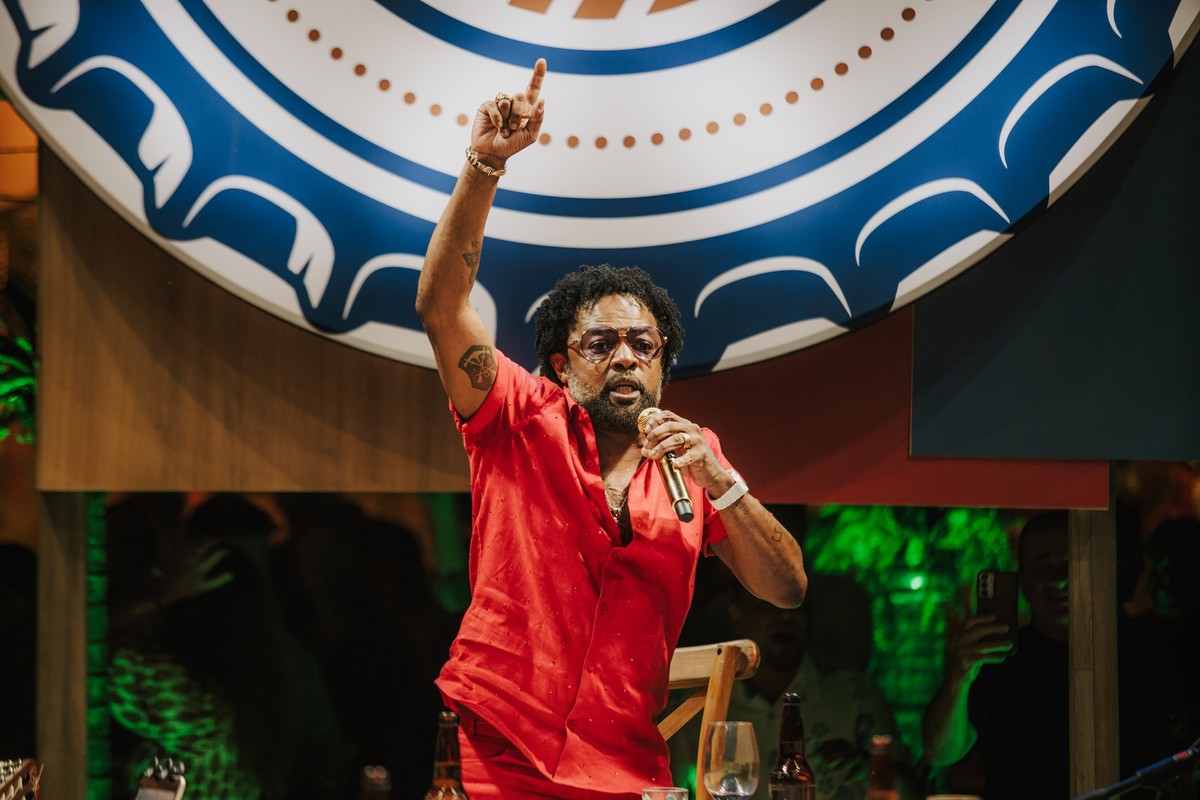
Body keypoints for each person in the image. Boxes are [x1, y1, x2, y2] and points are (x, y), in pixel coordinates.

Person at [415, 58, 808, 799]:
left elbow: (786, 589)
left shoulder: (694, 461)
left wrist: (723, 485)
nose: (625, 357)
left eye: (643, 346)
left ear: (662, 366)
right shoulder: (518, 416)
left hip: (626, 769)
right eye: (601, 344)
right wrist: (485, 165)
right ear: (564, 366)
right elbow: (442, 305)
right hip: (499, 749)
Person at [670, 574, 913, 800]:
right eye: (766, 607)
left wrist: (865, 769)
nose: (784, 618)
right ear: (736, 616)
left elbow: (910, 789)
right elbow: (668, 790)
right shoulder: (693, 706)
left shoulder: (854, 695)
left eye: (795, 608)